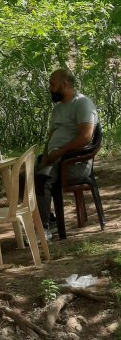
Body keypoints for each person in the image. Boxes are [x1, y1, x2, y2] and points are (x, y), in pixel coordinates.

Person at [34, 68, 97, 240]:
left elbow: (85, 137)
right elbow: (52, 137)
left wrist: (60, 153)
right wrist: (46, 156)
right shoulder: (58, 109)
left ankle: (43, 229)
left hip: (74, 163)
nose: (50, 88)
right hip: (55, 160)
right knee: (23, 177)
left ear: (65, 84)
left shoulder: (82, 103)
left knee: (41, 178)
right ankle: (51, 219)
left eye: (52, 84)